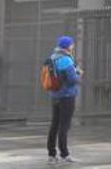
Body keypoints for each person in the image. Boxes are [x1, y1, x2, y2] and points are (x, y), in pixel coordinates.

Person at [46, 35, 83, 164]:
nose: (73, 46)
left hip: (55, 96)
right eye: (71, 44)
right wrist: (78, 73)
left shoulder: (53, 57)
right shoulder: (66, 60)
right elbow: (72, 80)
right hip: (66, 96)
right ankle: (64, 154)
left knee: (54, 125)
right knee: (64, 126)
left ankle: (51, 154)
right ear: (67, 46)